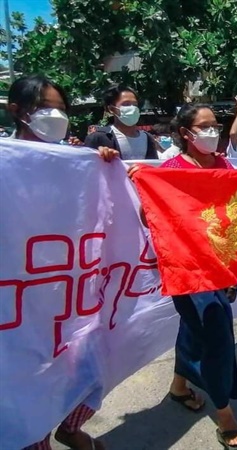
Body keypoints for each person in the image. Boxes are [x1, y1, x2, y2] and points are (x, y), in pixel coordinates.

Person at [128, 103, 237, 450]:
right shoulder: (172, 169)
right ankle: (225, 415)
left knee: (194, 328)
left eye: (216, 125)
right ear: (186, 133)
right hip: (186, 271)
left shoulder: (225, 165)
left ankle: (179, 387)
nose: (213, 131)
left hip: (222, 266)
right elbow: (147, 217)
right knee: (216, 335)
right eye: (205, 126)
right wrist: (146, 189)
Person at [8, 76, 119, 450]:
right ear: (16, 112)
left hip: (72, 294)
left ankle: (70, 428)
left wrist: (103, 169)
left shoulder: (77, 162)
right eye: (44, 108)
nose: (56, 116)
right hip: (24, 303)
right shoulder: (7, 163)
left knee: (93, 371)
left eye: (61, 108)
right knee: (29, 392)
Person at [84, 84, 158, 160]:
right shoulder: (98, 138)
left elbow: (153, 168)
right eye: (126, 104)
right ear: (111, 109)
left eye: (135, 104)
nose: (132, 108)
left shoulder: (147, 138)